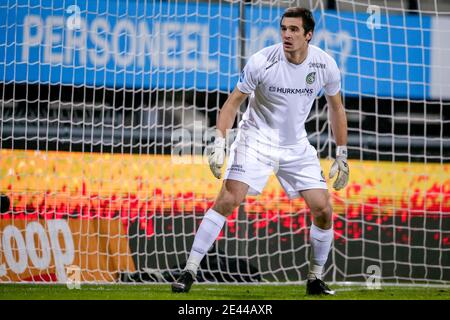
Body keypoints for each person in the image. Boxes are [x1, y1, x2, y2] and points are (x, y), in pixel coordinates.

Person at [172, 6, 349, 295]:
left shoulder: (325, 64)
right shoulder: (262, 61)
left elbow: (336, 108)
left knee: (324, 209)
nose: (287, 35)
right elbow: (232, 103)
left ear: (308, 35)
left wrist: (341, 154)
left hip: (295, 145)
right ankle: (189, 270)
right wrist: (219, 142)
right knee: (229, 199)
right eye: (284, 29)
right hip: (255, 139)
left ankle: (315, 279)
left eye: (294, 30)